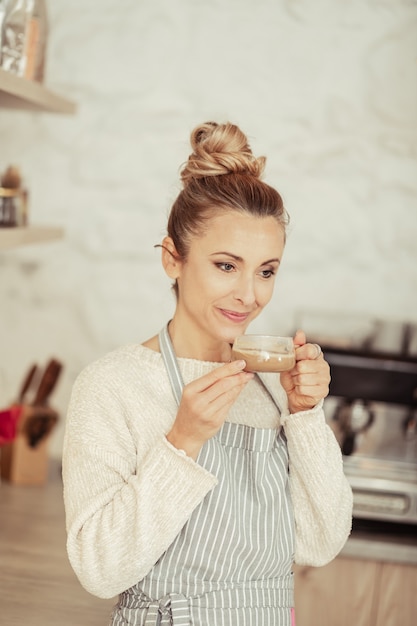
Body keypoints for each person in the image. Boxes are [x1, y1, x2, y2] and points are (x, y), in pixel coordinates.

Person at [62, 121, 353, 626]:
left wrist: (305, 418)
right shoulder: (113, 386)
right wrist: (182, 442)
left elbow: (320, 543)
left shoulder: (276, 389)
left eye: (266, 271)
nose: (249, 294)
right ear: (173, 259)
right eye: (226, 265)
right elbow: (99, 570)